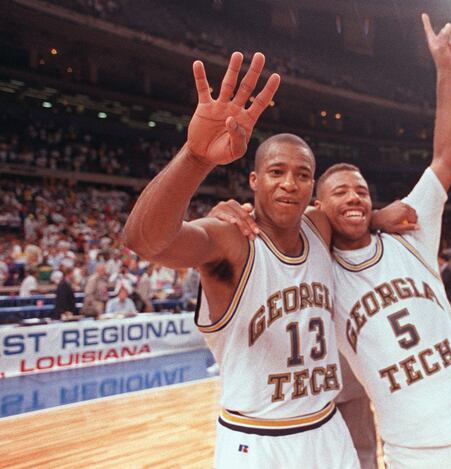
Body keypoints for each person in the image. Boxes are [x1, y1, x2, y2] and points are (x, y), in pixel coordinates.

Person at [217, 14, 451, 468]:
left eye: (362, 190)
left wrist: (445, 72)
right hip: (411, 450)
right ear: (317, 206)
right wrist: (232, 210)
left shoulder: (413, 231)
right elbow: (281, 224)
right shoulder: (317, 267)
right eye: (339, 192)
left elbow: (448, 157)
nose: (354, 196)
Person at [123, 51, 364, 468]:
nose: (290, 183)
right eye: (276, 172)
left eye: (303, 174)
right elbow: (145, 242)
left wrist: (382, 213)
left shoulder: (321, 226)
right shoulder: (230, 238)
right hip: (258, 440)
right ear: (254, 180)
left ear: (313, 187)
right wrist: (196, 158)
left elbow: (356, 214)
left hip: (328, 428)